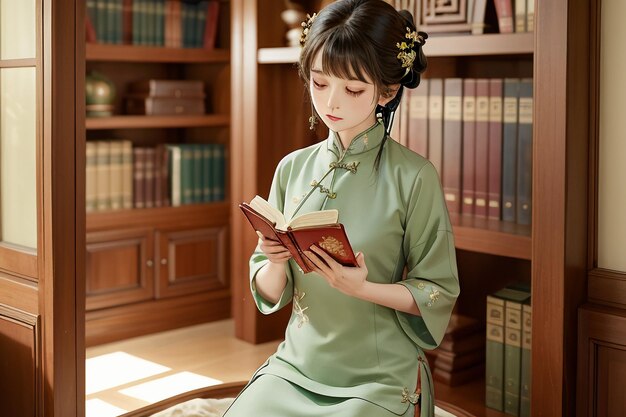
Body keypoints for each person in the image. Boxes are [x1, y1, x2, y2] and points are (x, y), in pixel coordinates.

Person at [224, 1, 459, 416]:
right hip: (296, 365)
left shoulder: (415, 176)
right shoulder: (292, 167)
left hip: (378, 373)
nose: (331, 102)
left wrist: (362, 289)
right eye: (319, 84)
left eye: (353, 90)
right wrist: (275, 261)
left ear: (387, 91)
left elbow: (437, 288)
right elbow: (268, 289)